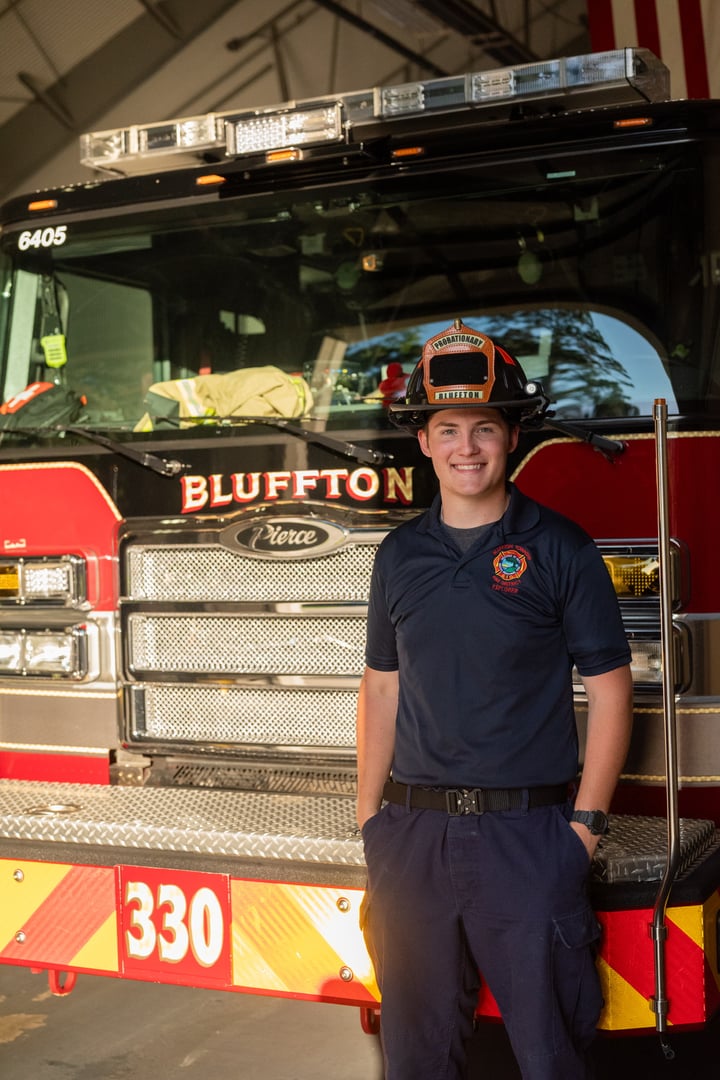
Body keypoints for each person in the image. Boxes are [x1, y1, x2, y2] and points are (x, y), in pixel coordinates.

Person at [356, 318, 633, 1080]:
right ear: (425, 441)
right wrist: (370, 818)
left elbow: (612, 690)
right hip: (411, 841)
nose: (466, 447)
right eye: (447, 428)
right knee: (415, 1059)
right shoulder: (399, 555)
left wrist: (582, 827)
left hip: (527, 839)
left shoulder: (562, 548)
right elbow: (382, 683)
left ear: (511, 438)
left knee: (550, 1058)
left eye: (483, 427)